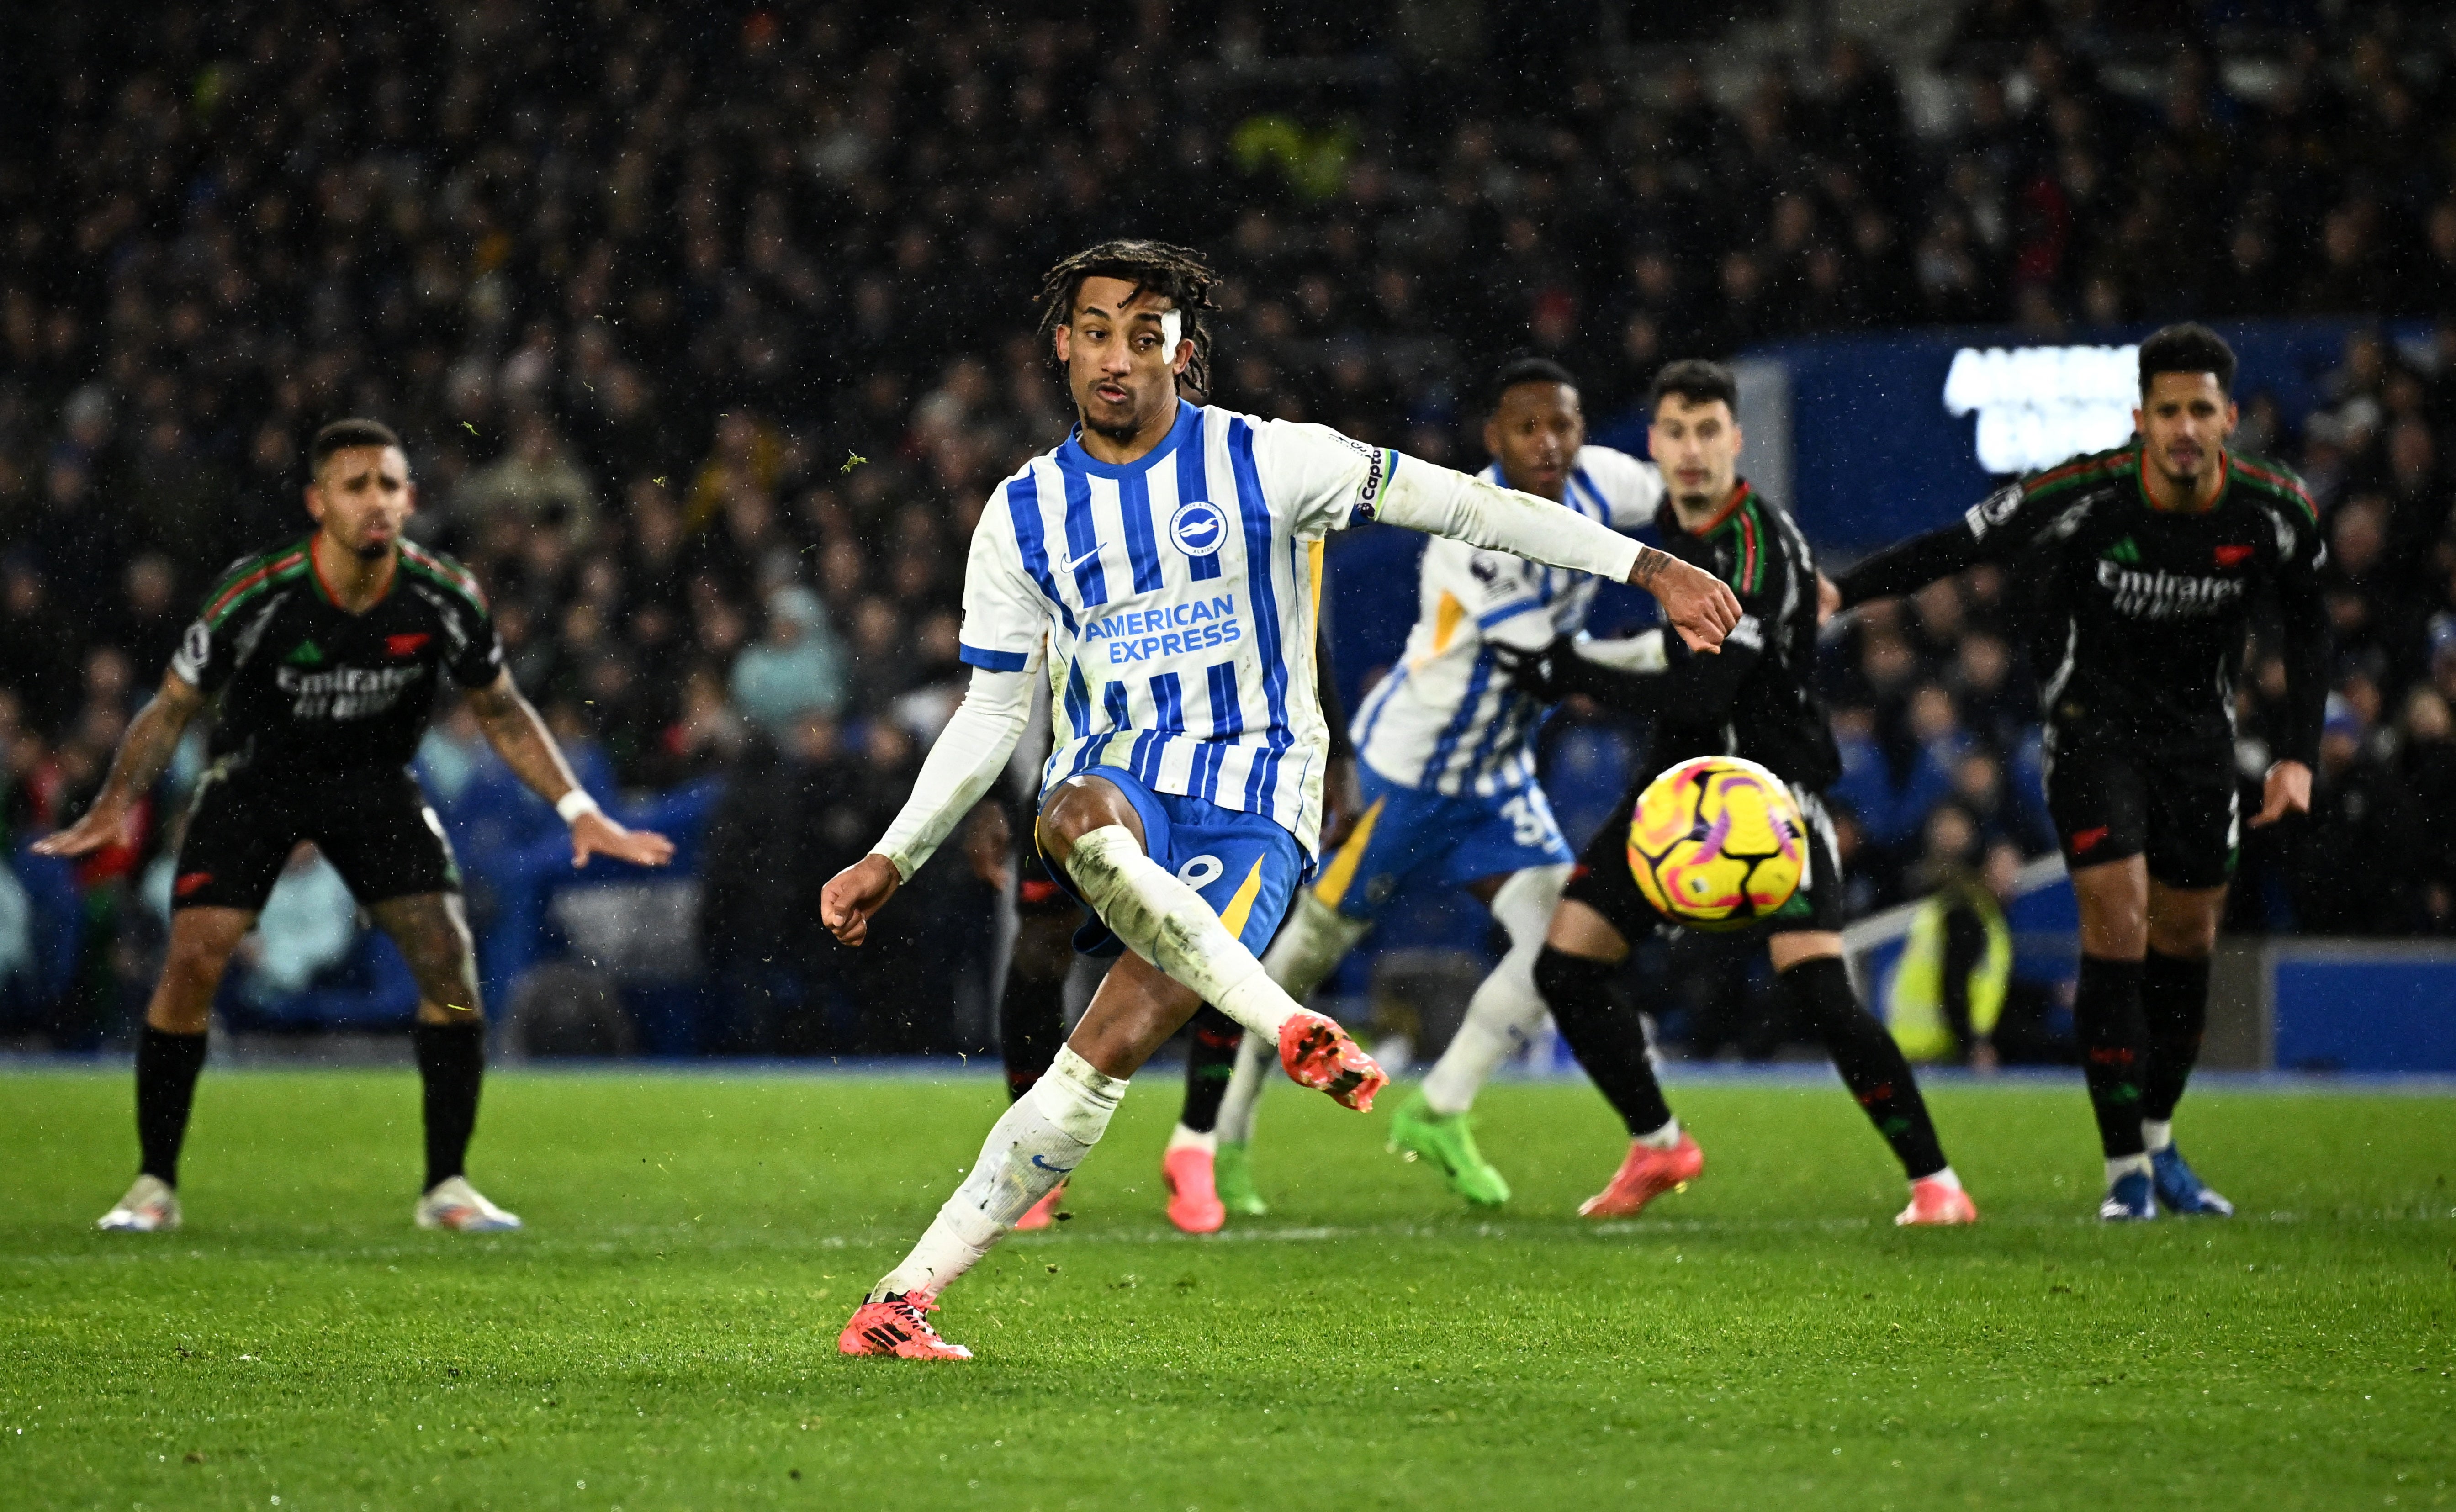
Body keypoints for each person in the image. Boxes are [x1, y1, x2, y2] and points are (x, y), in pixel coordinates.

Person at [819, 240, 1741, 1360]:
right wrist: (894, 855)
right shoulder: (1023, 515)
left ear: (1183, 352)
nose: (1120, 356)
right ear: (1062, 346)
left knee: (1105, 1044)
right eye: (1098, 331)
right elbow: (990, 710)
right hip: (1121, 781)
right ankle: (1286, 1025)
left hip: (1259, 803)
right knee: (1073, 816)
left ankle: (903, 1294)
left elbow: (1469, 509)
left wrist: (1649, 569)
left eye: (1145, 334)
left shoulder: (1277, 460)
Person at [36, 419, 675, 1236]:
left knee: (448, 959)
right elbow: (173, 706)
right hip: (256, 783)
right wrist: (113, 803)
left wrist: (582, 812)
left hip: (375, 789)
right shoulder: (258, 592)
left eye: (391, 485)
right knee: (194, 957)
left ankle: (447, 1185)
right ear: (318, 502)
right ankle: (152, 1184)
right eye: (356, 485)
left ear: (411, 497)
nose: (377, 501)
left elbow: (504, 711)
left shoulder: (444, 594)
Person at [1821, 323, 2326, 1220]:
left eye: (2199, 410)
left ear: (2229, 418)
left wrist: (2296, 753)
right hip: (2094, 733)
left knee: (2186, 939)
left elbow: (2310, 624)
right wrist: (1842, 591)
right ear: (2141, 417)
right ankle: (2122, 1165)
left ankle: (2161, 1139)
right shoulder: (2085, 491)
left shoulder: (2274, 508)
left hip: (2200, 746)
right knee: (2119, 918)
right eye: (2166, 410)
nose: (2182, 427)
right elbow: (1958, 545)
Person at [1470, 360, 1980, 1227]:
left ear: (1736, 441)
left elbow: (1704, 692)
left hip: (1765, 790)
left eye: (1709, 432)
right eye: (1675, 432)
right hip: (1674, 792)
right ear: (1655, 444)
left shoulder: (1761, 546)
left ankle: (1936, 1183)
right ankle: (1658, 1140)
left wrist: (1567, 670)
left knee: (1818, 987)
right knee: (1566, 963)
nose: (1692, 450)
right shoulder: (1656, 528)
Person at [1188, 356, 1667, 1216]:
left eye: (1563, 423)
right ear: (1494, 440)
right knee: (1295, 961)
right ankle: (1219, 1141)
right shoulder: (1472, 533)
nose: (1549, 442)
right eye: (1527, 427)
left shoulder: (1602, 481)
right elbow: (1551, 666)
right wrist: (1671, 656)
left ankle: (1441, 1107)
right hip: (1403, 781)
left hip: (1496, 778)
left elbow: (1679, 500)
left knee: (1561, 948)